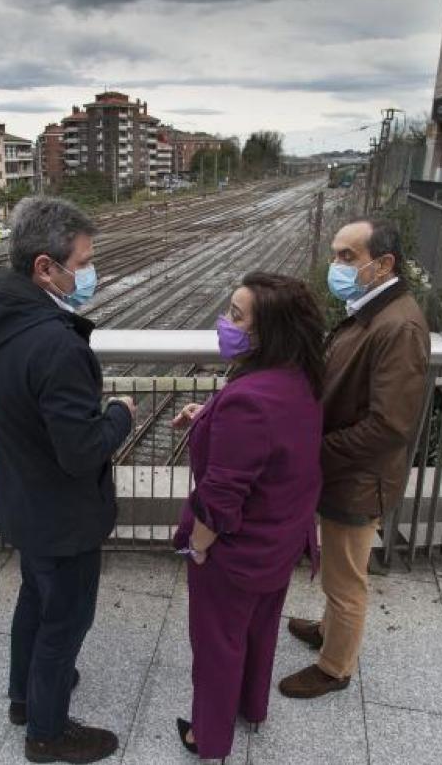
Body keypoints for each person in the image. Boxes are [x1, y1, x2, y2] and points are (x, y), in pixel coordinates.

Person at [0, 196, 133, 764]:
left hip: (21, 500)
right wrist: (119, 414)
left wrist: (18, 416)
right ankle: (47, 734)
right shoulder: (56, 343)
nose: (88, 272)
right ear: (44, 268)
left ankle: (23, 699)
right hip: (64, 515)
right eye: (81, 261)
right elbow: (81, 454)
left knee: (35, 597)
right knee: (65, 622)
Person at [170, 272, 325, 761]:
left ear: (266, 331)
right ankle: (251, 707)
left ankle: (208, 737)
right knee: (259, 630)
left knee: (217, 645)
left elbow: (220, 496)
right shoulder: (299, 378)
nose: (225, 322)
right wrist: (211, 415)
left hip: (237, 553)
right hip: (280, 540)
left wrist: (197, 546)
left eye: (236, 316)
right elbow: (269, 446)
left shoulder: (249, 400)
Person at [277, 217, 429, 699]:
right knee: (339, 567)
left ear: (383, 264)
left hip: (358, 478)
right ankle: (328, 629)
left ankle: (335, 667)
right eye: (336, 255)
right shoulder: (370, 311)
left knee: (346, 578)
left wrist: (314, 454)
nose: (336, 266)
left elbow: (390, 425)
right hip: (345, 471)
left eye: (348, 257)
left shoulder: (397, 326)